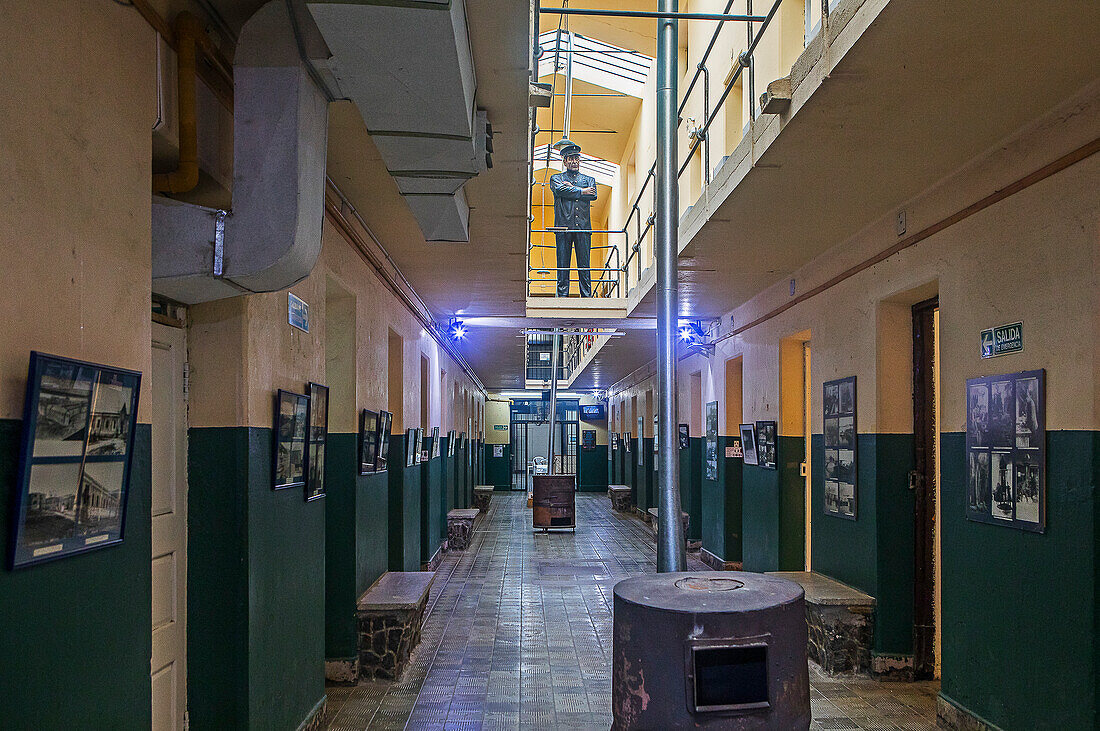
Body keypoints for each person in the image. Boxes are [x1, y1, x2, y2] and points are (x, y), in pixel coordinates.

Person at [549, 141, 598, 297]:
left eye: (576, 158)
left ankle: (586, 296)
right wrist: (581, 191)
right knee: (563, 264)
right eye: (570, 158)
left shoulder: (589, 179)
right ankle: (562, 296)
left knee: (584, 264)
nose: (574, 161)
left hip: (583, 227)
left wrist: (570, 189)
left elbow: (594, 194)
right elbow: (559, 189)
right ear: (564, 161)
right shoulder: (556, 178)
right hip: (563, 227)